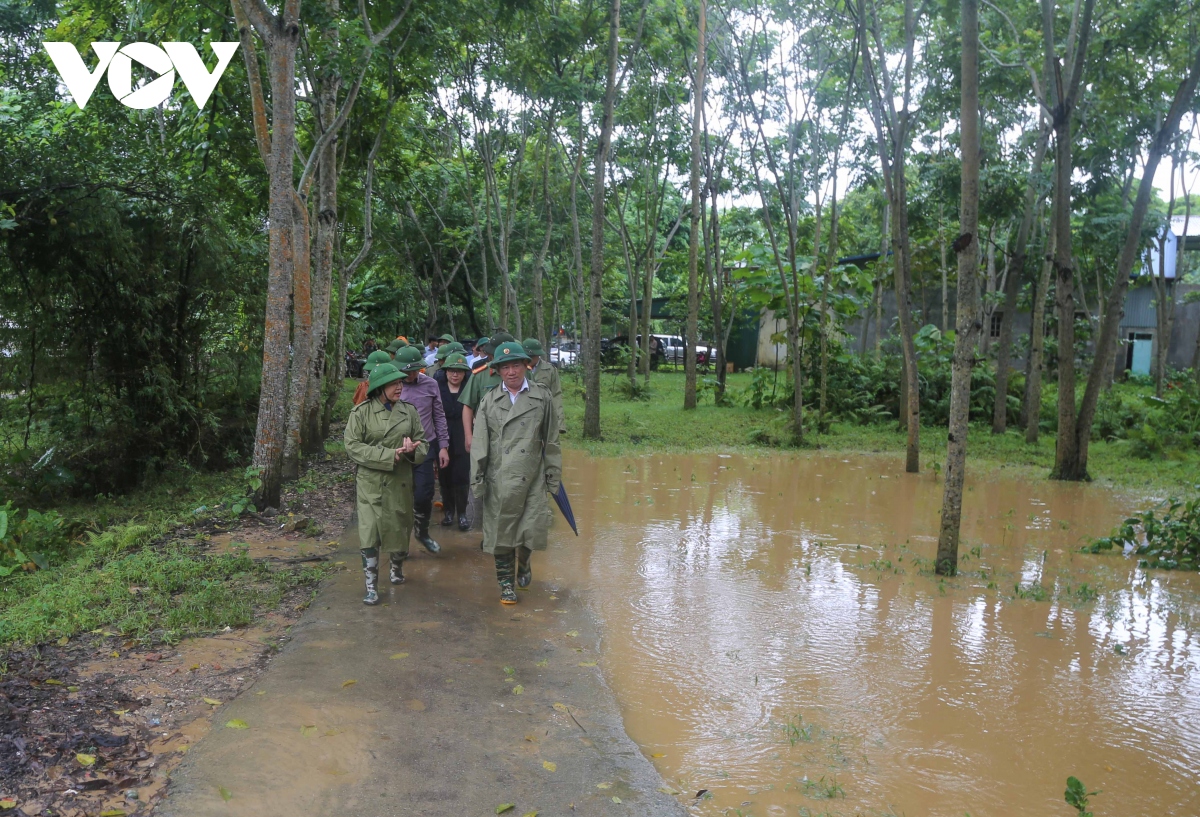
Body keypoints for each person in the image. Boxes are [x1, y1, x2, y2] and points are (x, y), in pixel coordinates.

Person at [469, 341, 562, 604]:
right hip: (499, 476)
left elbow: (551, 440)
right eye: (506, 367)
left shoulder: (542, 396)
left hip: (531, 474)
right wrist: (477, 479)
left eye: (516, 365)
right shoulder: (489, 400)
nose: (512, 372)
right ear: (498, 371)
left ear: (526, 366)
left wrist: (552, 476)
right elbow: (479, 444)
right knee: (501, 533)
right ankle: (506, 584)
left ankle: (524, 562)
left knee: (530, 528)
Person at [343, 362, 428, 605]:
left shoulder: (408, 411)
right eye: (394, 383)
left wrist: (413, 451)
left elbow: (423, 442)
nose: (399, 386)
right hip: (371, 483)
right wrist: (387, 455)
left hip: (400, 481)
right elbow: (352, 447)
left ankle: (396, 568)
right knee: (369, 532)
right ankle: (371, 586)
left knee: (399, 527)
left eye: (400, 382)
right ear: (380, 387)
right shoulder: (361, 413)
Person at [392, 346, 450, 553]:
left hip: (425, 446)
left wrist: (443, 446)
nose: (412, 374)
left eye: (416, 370)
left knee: (424, 494)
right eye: (408, 371)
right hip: (397, 449)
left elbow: (439, 416)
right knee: (400, 497)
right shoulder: (391, 386)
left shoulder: (430, 385)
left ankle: (422, 532)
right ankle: (400, 543)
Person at [436, 352, 473, 530]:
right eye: (451, 371)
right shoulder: (437, 387)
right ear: (445, 372)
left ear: (465, 373)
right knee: (445, 476)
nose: (455, 375)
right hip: (443, 435)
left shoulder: (470, 387)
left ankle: (463, 514)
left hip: (463, 434)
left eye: (459, 371)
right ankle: (448, 512)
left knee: (462, 476)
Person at [460, 332, 514, 452]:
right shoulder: (480, 375)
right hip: (487, 436)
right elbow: (468, 406)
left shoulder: (524, 373)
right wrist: (468, 436)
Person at [522, 338, 565, 433]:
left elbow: (556, 395)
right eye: (527, 355)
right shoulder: (518, 369)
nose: (529, 358)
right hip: (523, 416)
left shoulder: (549, 370)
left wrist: (559, 423)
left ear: (538, 355)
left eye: (532, 356)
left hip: (543, 415)